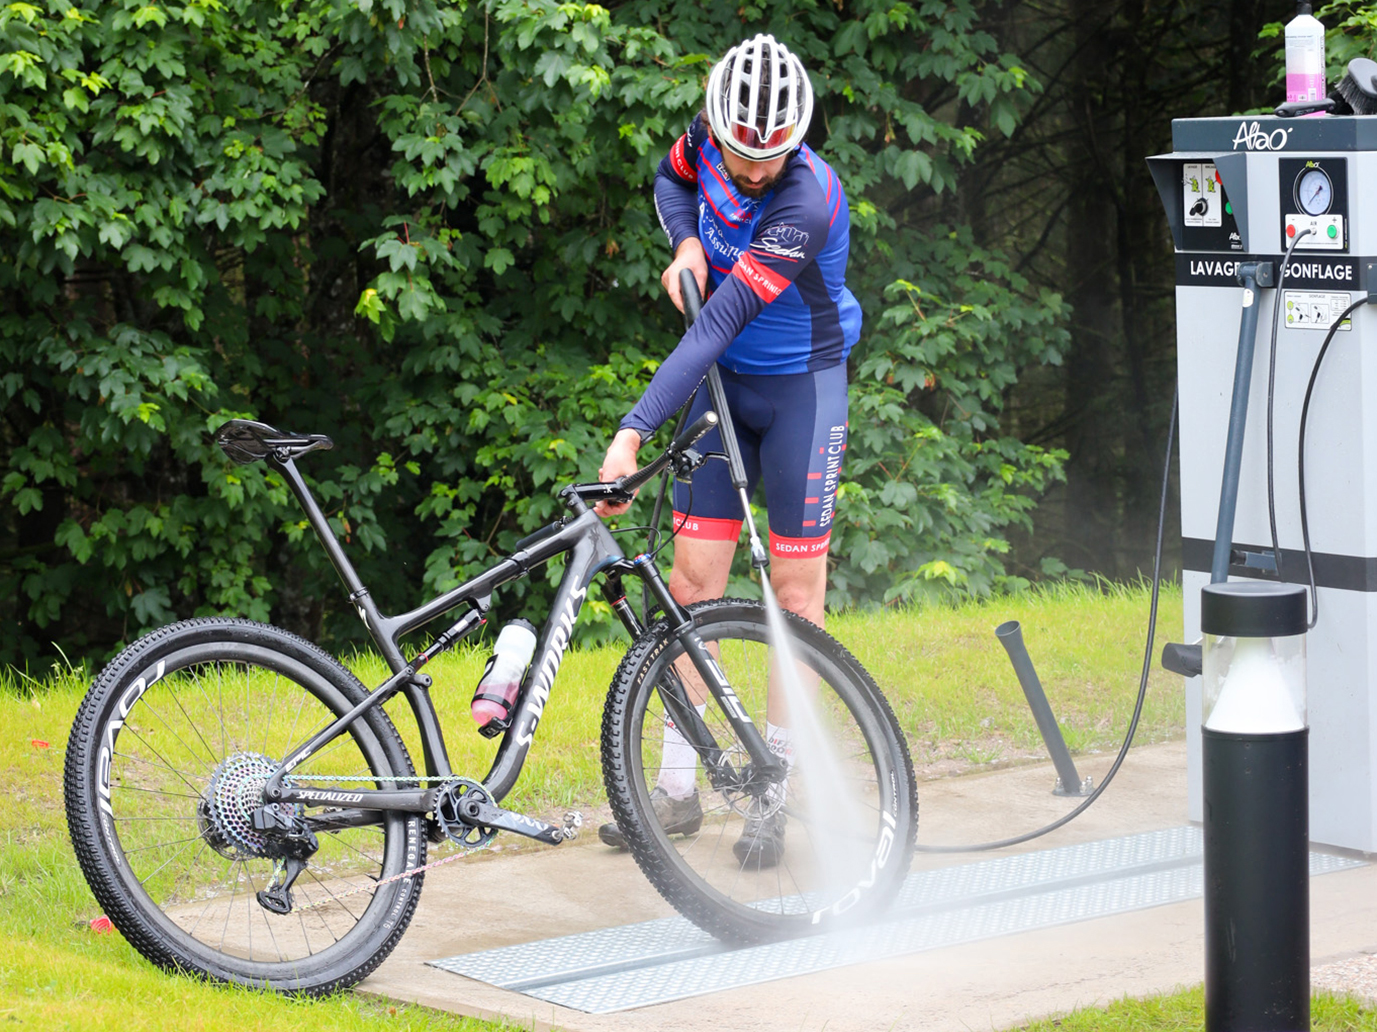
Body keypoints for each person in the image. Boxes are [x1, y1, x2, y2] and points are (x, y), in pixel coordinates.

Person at [594, 33, 861, 866]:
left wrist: (632, 428)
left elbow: (714, 326)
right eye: (742, 152)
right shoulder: (703, 143)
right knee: (690, 585)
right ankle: (678, 789)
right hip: (721, 393)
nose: (751, 170)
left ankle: (773, 787)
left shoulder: (807, 201)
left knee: (792, 593)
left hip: (799, 392)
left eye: (769, 154)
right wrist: (683, 241)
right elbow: (671, 180)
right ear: (718, 125)